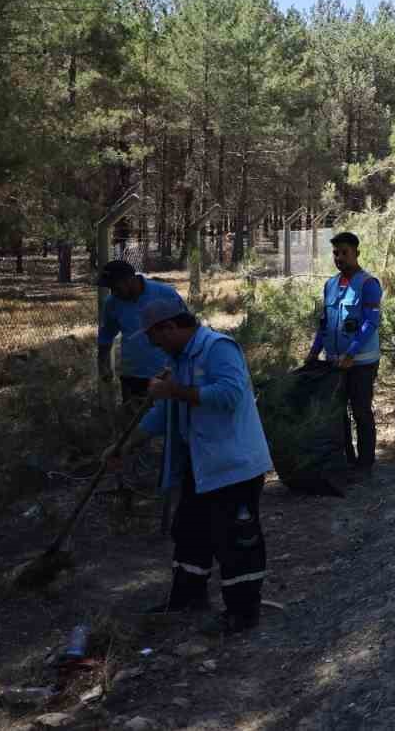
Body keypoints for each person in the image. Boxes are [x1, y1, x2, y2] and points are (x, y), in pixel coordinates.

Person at [107, 299, 273, 635]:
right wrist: (125, 445)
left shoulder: (218, 349)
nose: (154, 345)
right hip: (200, 464)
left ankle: (243, 613)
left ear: (170, 327)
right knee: (190, 532)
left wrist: (175, 390)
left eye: (155, 337)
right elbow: (164, 412)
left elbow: (230, 395)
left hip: (233, 466)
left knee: (237, 541)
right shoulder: (178, 359)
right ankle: (187, 597)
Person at [306, 231, 383, 475]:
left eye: (344, 252)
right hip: (334, 363)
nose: (339, 257)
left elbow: (370, 323)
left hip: (361, 363)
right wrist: (314, 352)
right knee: (338, 415)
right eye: (336, 253)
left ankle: (365, 464)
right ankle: (347, 462)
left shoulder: (368, 284)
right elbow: (325, 324)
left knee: (361, 412)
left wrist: (351, 353)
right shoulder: (330, 285)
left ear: (356, 253)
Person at [97, 260, 187, 402]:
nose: (113, 292)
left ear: (130, 280)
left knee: (167, 414)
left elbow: (186, 329)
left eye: (115, 287)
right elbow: (106, 336)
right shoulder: (112, 303)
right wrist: (103, 365)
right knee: (134, 414)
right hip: (132, 376)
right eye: (110, 288)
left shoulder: (165, 294)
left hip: (166, 374)